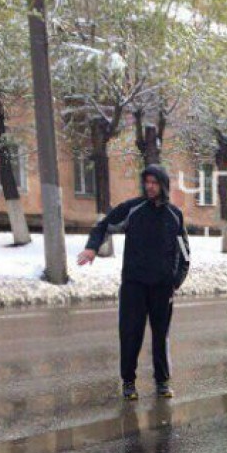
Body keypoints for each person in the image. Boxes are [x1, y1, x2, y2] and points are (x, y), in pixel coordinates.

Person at [77, 164, 190, 401]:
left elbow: (184, 252)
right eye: (147, 182)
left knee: (161, 336)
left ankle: (162, 382)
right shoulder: (133, 209)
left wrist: (176, 280)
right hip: (134, 286)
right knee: (130, 334)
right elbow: (104, 225)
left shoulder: (174, 215)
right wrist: (92, 248)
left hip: (162, 288)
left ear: (163, 185)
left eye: (154, 182)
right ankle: (128, 382)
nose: (150, 187)